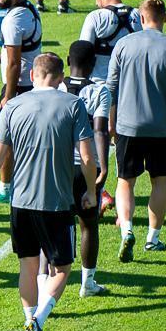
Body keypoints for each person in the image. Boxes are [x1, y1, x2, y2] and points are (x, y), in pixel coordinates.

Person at [0, 53, 97, 331]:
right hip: (56, 202)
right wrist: (91, 192)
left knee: (28, 267)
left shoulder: (13, 106)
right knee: (62, 269)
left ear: (32, 75)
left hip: (21, 203)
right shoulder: (73, 105)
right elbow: (87, 157)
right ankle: (39, 320)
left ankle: (29, 320)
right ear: (61, 76)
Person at [106, 0, 166, 262]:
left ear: (141, 18)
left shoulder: (123, 45)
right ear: (165, 17)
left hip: (127, 126)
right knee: (159, 181)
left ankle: (127, 230)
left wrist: (111, 123)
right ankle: (153, 239)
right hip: (160, 127)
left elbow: (111, 88)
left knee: (125, 181)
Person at [80, 0, 140, 215]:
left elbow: (83, 53)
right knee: (122, 143)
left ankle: (98, 193)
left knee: (95, 144)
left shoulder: (96, 17)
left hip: (98, 89)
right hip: (129, 89)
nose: (96, 2)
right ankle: (121, 193)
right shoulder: (137, 15)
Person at [0, 0, 42, 205]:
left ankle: (7, 189)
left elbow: (15, 62)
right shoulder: (28, 8)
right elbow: (15, 47)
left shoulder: (13, 20)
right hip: (31, 83)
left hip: (19, 86)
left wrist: (9, 96)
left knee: (5, 140)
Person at [61, 41, 111, 297]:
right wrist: (103, 166)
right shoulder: (100, 91)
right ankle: (87, 283)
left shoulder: (56, 87)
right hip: (86, 165)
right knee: (88, 224)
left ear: (68, 61)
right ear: (94, 64)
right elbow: (100, 130)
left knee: (58, 223)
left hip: (58, 166)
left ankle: (49, 279)